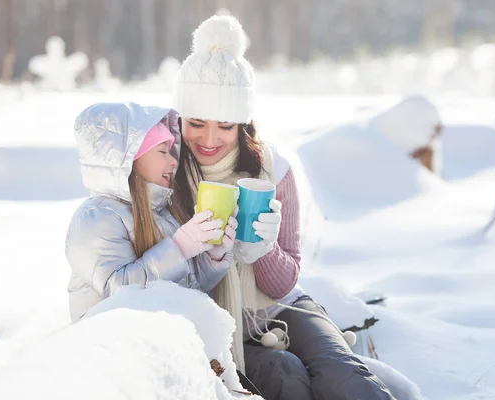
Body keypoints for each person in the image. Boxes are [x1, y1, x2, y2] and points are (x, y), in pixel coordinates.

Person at [170, 15, 395, 400]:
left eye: (225, 125)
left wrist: (263, 250)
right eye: (196, 123)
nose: (209, 139)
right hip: (213, 320)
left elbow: (284, 284)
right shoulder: (166, 169)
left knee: (347, 379)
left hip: (280, 305)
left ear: (243, 122)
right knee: (285, 376)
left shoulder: (273, 170)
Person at [65, 102, 237, 323]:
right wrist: (179, 248)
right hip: (112, 350)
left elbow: (188, 288)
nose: (173, 160)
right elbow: (120, 295)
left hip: (158, 345)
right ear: (130, 159)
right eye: (163, 151)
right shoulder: (96, 218)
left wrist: (212, 255)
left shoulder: (160, 212)